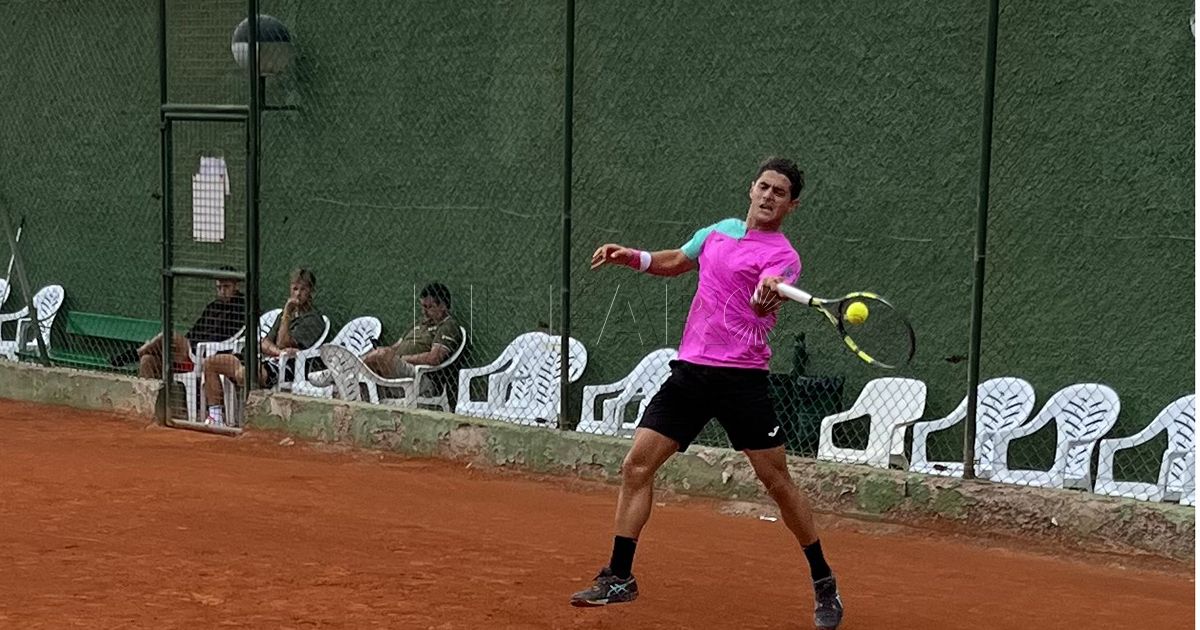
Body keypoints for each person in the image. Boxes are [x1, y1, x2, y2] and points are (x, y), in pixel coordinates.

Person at [571, 157, 843, 629]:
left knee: (777, 484)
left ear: (791, 205)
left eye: (779, 193)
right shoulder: (717, 231)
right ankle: (619, 577)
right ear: (751, 189)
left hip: (742, 380)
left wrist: (767, 295)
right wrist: (630, 256)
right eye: (764, 187)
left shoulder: (783, 256)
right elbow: (677, 262)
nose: (768, 196)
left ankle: (824, 583)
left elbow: (768, 291)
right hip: (691, 374)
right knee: (636, 464)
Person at [200, 268, 326, 426]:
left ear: (311, 292)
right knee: (210, 363)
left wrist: (287, 313)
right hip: (263, 360)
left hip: (286, 367)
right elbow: (264, 342)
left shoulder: (314, 319)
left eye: (303, 289)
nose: (298, 294)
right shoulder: (283, 316)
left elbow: (282, 341)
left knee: (243, 374)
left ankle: (249, 420)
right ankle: (216, 418)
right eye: (295, 288)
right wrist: (278, 351)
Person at [109, 271, 245, 379]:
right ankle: (150, 406)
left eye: (226, 287)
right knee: (147, 360)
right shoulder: (213, 306)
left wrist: (191, 345)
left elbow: (227, 337)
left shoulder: (241, 306)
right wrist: (185, 345)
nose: (222, 291)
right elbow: (194, 330)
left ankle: (134, 354)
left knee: (168, 336)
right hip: (190, 349)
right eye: (219, 287)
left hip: (208, 353)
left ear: (236, 286)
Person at [359, 282, 463, 393]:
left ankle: (354, 378)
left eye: (429, 307)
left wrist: (401, 358)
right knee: (368, 355)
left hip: (418, 374)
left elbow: (434, 358)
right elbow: (396, 347)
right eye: (423, 306)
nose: (424, 312)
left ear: (442, 306)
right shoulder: (419, 324)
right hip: (397, 365)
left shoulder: (448, 325)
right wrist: (384, 351)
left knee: (379, 356)